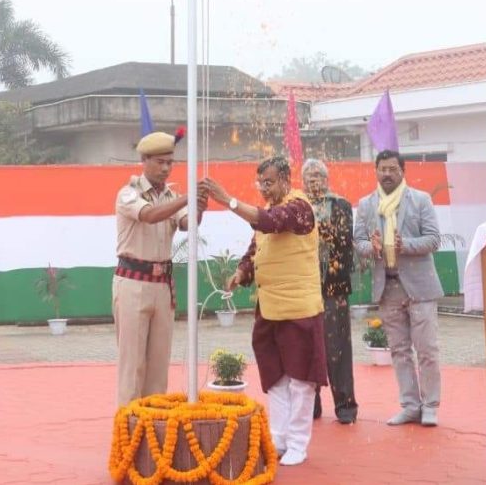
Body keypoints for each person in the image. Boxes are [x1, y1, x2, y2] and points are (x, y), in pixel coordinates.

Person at [202, 156, 327, 467]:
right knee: (276, 377)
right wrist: (242, 273)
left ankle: (298, 443)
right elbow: (256, 248)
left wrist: (227, 200)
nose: (264, 189)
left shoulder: (299, 208)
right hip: (270, 308)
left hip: (299, 309)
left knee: (300, 380)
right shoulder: (270, 211)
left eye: (269, 183)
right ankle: (279, 438)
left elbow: (269, 222)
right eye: (261, 184)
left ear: (286, 179)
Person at [113, 130, 206, 405]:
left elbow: (189, 223)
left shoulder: (170, 196)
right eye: (160, 162)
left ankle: (153, 426)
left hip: (162, 285)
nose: (166, 168)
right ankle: (129, 430)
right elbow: (150, 215)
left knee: (158, 364)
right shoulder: (128, 194)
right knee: (132, 365)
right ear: (144, 160)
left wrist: (200, 205)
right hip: (132, 282)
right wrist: (189, 197)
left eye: (170, 162)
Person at [354, 149, 443, 427]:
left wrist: (407, 245)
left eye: (393, 169)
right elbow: (358, 242)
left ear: (402, 171)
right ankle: (409, 405)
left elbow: (433, 239)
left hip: (420, 286)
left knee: (427, 349)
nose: (388, 174)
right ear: (376, 171)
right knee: (399, 351)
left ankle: (430, 405)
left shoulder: (420, 200)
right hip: (388, 287)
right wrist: (373, 247)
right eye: (383, 169)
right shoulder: (367, 205)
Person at [302, 158, 358, 424]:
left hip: (333, 288)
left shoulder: (341, 205)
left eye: (319, 175)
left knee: (338, 347)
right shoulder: (298, 206)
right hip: (303, 288)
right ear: (302, 181)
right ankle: (311, 403)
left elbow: (345, 244)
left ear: (327, 179)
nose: (314, 180)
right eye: (309, 176)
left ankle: (345, 404)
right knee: (306, 348)